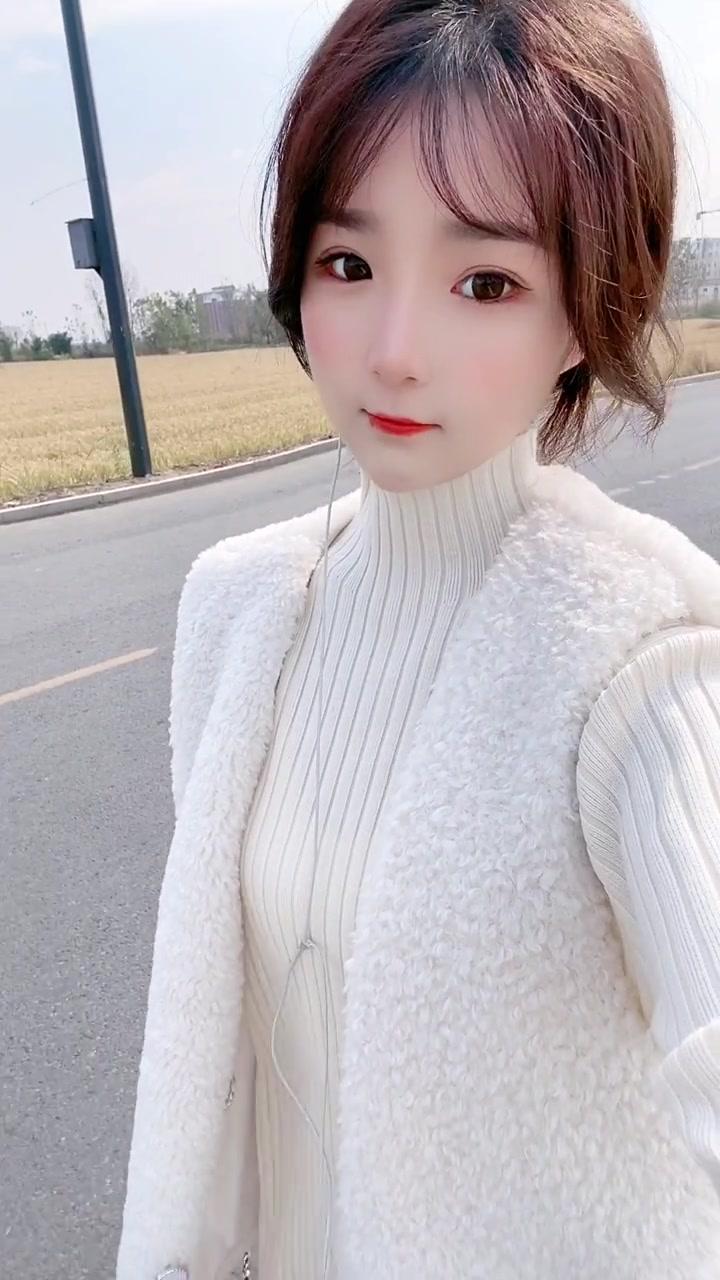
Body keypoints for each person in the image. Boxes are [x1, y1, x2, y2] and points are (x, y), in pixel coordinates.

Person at [116, 0, 720, 1276]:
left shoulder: (635, 651)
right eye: (349, 264)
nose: (394, 353)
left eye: (485, 282)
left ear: (585, 313)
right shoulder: (239, 609)